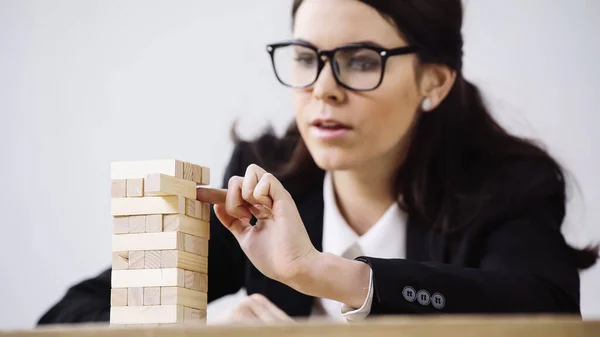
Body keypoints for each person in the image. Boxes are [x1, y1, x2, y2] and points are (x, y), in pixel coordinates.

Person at [38, 0, 598, 325]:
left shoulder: (507, 186)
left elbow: (545, 314)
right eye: (306, 58)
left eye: (360, 61)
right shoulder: (261, 179)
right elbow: (74, 311)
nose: (323, 89)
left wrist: (319, 272)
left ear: (434, 79)